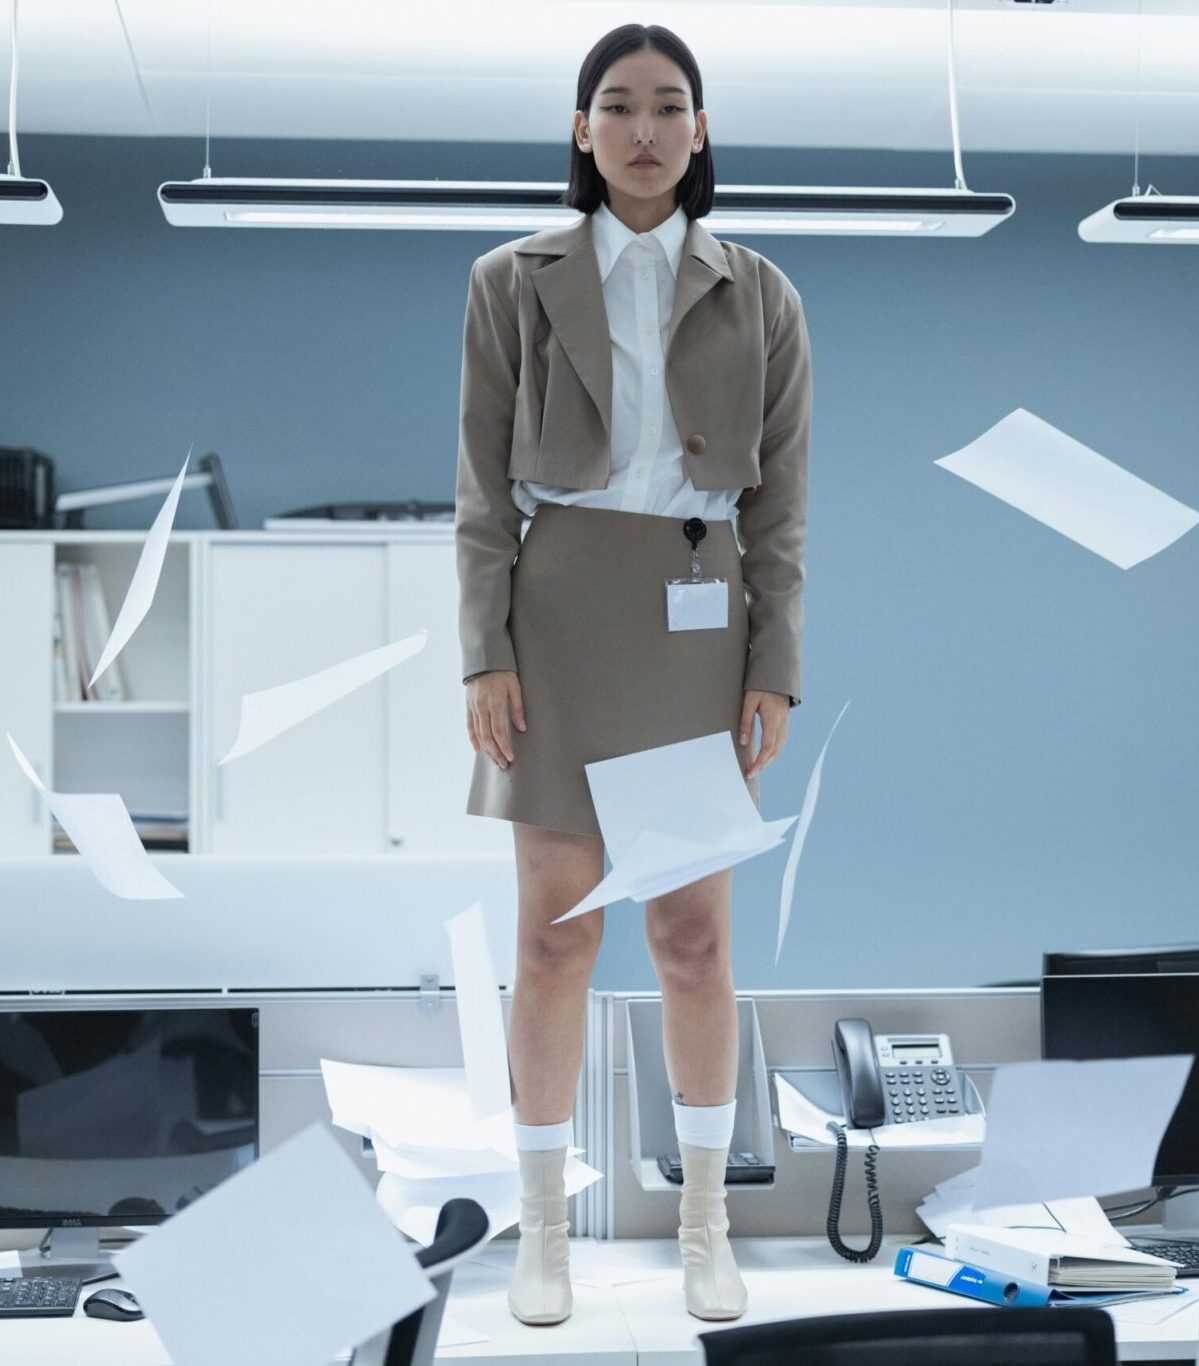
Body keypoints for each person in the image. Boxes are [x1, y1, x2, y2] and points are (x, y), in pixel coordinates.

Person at [454, 21, 812, 1327]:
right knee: (553, 936)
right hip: (556, 608)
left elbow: (779, 506)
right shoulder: (511, 278)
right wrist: (480, 651)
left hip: (696, 617)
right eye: (618, 105)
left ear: (701, 131)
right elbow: (478, 490)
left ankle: (704, 1221)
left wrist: (770, 663)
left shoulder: (761, 292)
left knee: (691, 934)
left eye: (669, 106)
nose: (645, 129)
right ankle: (540, 1227)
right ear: (581, 128)